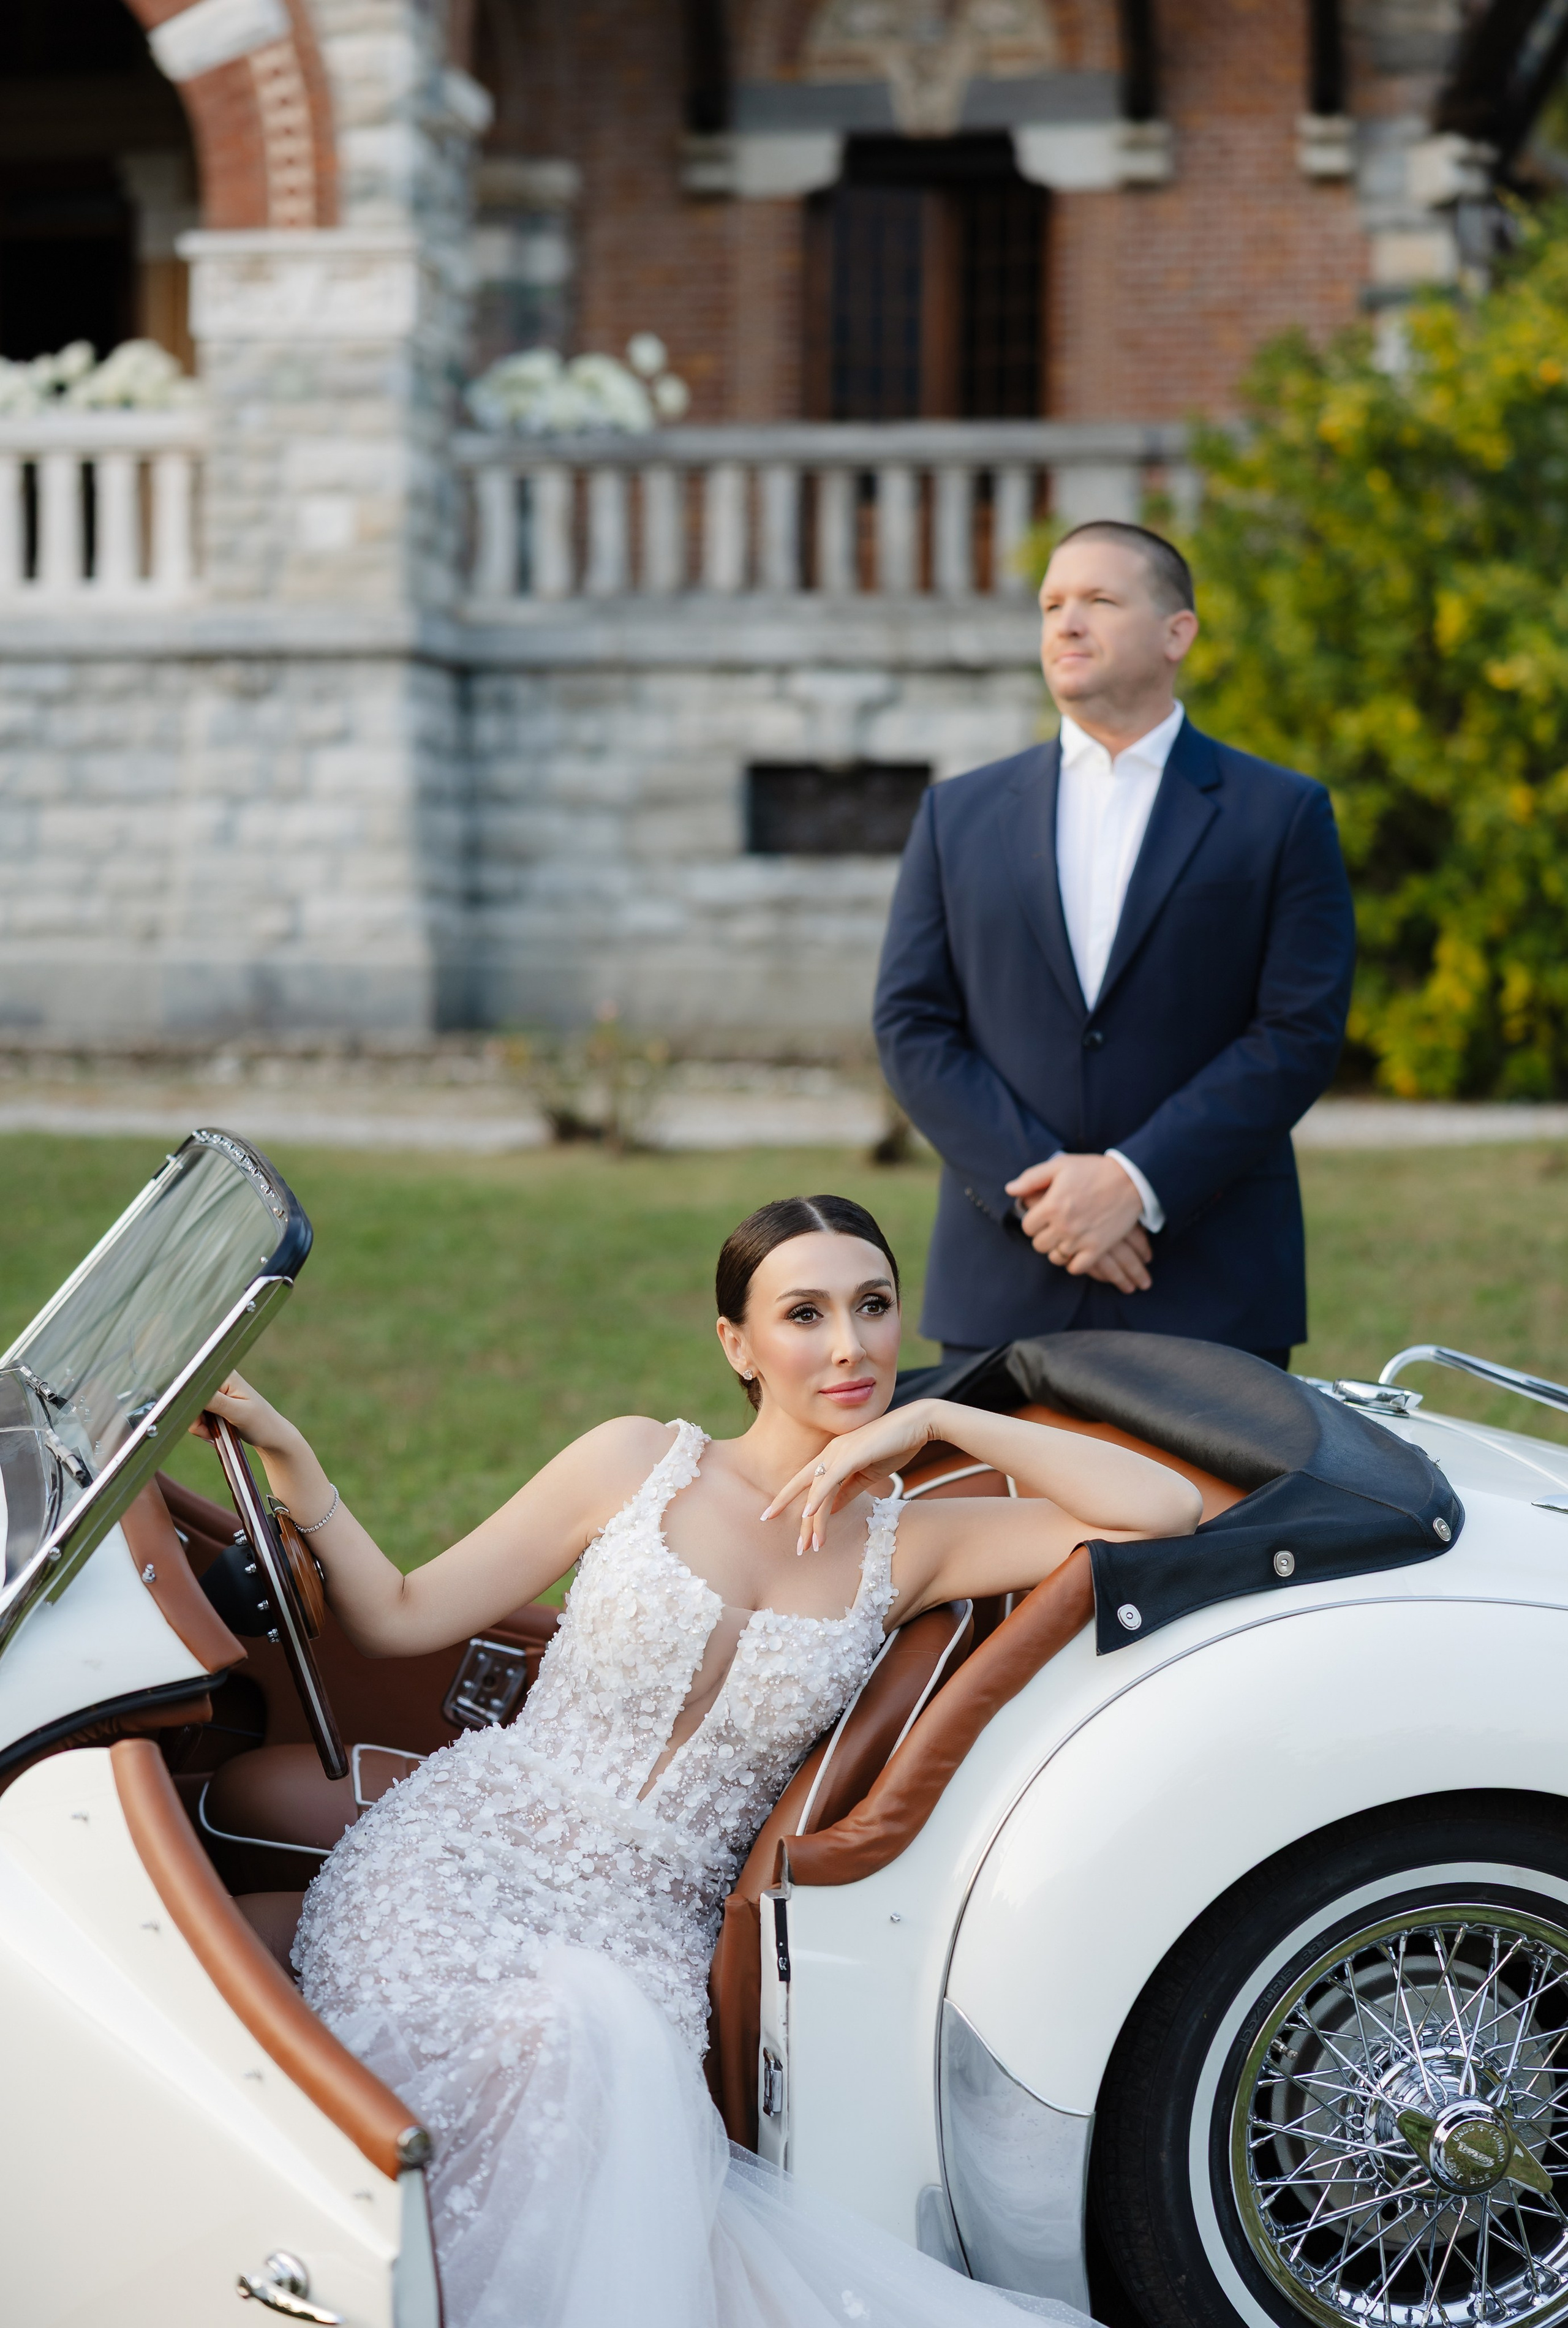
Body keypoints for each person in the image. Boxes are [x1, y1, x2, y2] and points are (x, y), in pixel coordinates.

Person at [196, 1192, 1199, 2328]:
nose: (849, 1345)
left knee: (580, 2039)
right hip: (464, 1858)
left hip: (646, 1929)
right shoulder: (637, 1460)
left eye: (873, 1307)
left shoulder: (914, 1541)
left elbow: (1163, 1512)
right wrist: (294, 1460)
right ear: (737, 1343)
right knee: (523, 2041)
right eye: (804, 1313)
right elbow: (400, 1614)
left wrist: (946, 1428)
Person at [873, 521, 1356, 1369]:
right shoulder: (957, 816)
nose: (1066, 622)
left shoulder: (1280, 814)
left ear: (1179, 633)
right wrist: (1049, 1201)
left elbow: (1298, 1031)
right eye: (1052, 603)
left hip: (1212, 1280)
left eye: (1099, 600)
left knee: (1209, 1512)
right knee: (996, 1509)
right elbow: (911, 1022)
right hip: (1005, 1278)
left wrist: (1136, 1183)